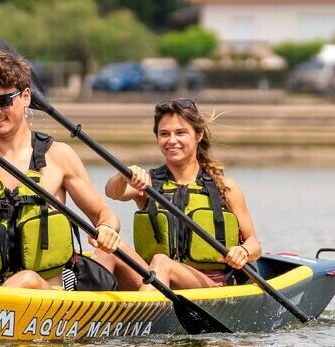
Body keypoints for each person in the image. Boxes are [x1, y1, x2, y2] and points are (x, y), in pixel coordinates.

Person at [0, 49, 127, 289]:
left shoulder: (58, 156)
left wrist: (108, 229)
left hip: (50, 293)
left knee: (26, 279)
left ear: (26, 96)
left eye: (3, 101)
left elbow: (104, 215)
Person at [105, 98, 261, 290]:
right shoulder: (148, 183)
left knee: (162, 262)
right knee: (109, 245)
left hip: (208, 288)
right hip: (154, 279)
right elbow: (112, 192)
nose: (171, 141)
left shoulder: (225, 187)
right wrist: (124, 175)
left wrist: (243, 251)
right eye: (164, 134)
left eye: (180, 133)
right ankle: (87, 313)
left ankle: (147, 316)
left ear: (198, 135)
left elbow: (255, 245)